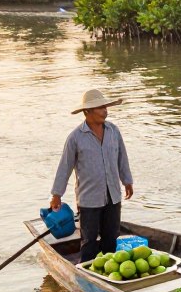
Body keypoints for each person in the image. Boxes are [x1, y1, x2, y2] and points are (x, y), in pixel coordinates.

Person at [50, 89, 134, 262]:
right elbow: (64, 167)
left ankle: (108, 273)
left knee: (111, 238)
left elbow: (122, 158)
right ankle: (87, 273)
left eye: (105, 107)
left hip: (113, 195)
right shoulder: (75, 137)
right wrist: (56, 195)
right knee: (89, 241)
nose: (105, 111)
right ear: (87, 112)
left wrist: (127, 181)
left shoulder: (113, 131)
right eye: (100, 107)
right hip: (89, 199)